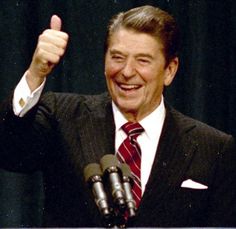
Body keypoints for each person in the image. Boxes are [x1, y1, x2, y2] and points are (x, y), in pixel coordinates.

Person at [0, 5, 236, 227]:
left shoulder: (213, 147)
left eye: (142, 60)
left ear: (170, 70)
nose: (126, 71)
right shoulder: (62, 115)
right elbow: (10, 151)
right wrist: (35, 73)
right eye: (117, 57)